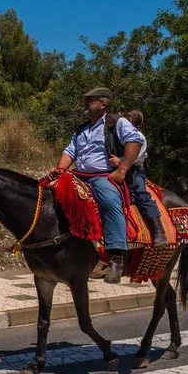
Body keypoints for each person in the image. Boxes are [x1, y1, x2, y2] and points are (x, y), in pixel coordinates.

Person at [47, 88, 143, 284]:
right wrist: (60, 170)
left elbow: (135, 140)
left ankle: (116, 258)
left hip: (102, 176)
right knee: (48, 192)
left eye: (90, 100)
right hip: (78, 175)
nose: (85, 103)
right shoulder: (81, 129)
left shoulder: (116, 123)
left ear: (103, 105)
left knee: (109, 201)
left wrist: (122, 170)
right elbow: (69, 151)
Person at [109, 110, 167, 247]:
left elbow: (134, 155)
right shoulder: (116, 135)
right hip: (117, 169)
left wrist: (120, 160)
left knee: (141, 195)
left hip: (135, 170)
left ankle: (158, 231)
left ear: (129, 119)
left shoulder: (138, 136)